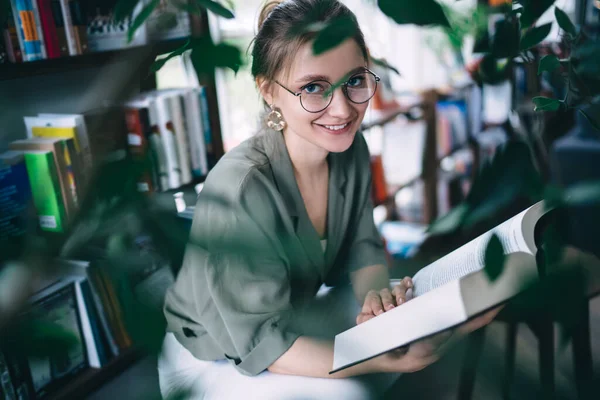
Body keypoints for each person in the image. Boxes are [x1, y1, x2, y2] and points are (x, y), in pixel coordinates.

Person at [158, 1, 500, 398]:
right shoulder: (242, 188)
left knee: (419, 310)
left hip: (292, 315)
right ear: (269, 91)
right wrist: (380, 357)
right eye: (313, 88)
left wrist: (377, 299)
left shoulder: (350, 151)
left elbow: (364, 248)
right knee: (353, 390)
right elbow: (259, 345)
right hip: (214, 356)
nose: (343, 109)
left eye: (354, 81)